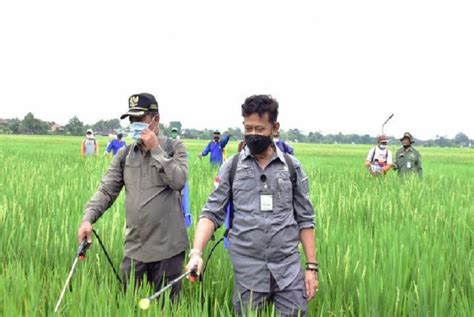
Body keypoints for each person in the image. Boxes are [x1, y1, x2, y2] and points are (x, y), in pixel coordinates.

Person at [186, 95, 318, 317]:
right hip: (248, 270)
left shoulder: (292, 168)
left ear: (274, 128)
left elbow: (305, 220)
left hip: (287, 268)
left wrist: (311, 268)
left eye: (260, 128)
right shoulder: (232, 167)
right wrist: (196, 253)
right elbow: (211, 212)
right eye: (249, 128)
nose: (253, 134)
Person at [77, 93, 188, 300]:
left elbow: (179, 180)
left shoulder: (174, 148)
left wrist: (156, 149)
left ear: (156, 119)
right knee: (129, 303)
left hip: (168, 250)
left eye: (140, 119)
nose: (135, 124)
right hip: (135, 248)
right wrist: (87, 218)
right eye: (132, 120)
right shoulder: (125, 154)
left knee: (168, 308)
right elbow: (106, 190)